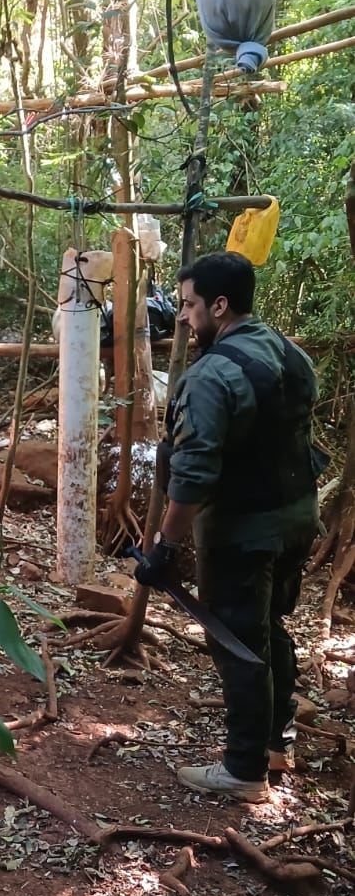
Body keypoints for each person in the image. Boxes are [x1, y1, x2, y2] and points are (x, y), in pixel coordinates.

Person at [134, 251, 320, 803]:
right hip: (297, 521)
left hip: (244, 532)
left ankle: (244, 770)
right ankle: (276, 743)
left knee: (239, 641)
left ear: (220, 305)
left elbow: (191, 476)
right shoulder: (294, 356)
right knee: (271, 627)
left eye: (190, 307)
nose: (185, 319)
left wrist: (165, 547)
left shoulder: (212, 374)